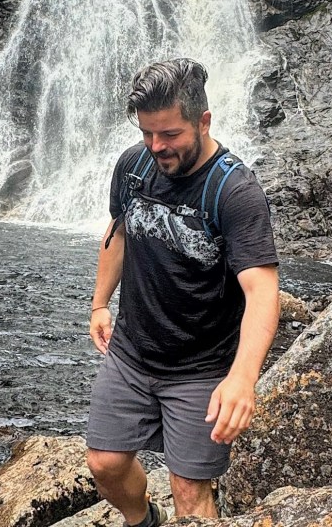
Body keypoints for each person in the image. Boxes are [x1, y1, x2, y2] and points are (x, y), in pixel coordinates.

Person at [85, 57, 280, 525]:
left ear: (203, 121)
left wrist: (242, 378)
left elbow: (263, 290)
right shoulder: (134, 165)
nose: (157, 146)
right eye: (147, 133)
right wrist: (99, 304)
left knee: (190, 494)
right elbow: (119, 232)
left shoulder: (234, 191)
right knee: (104, 464)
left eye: (169, 134)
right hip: (132, 351)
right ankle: (143, 520)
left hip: (201, 368)